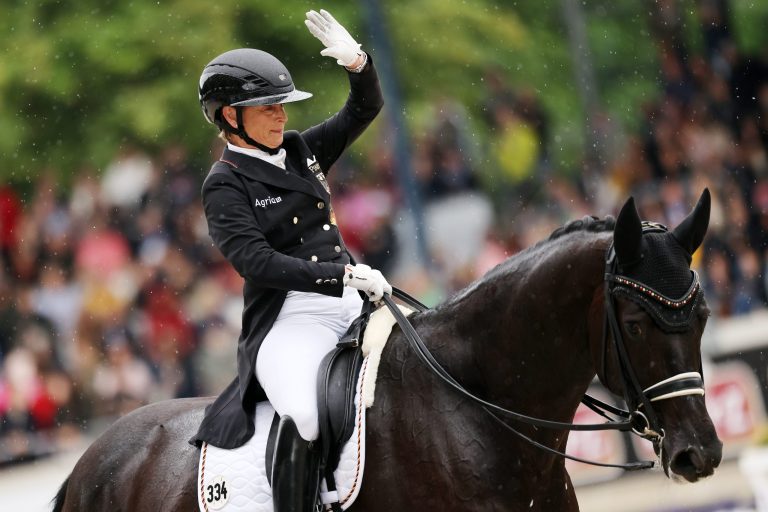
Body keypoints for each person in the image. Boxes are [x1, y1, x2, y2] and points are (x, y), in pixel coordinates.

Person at [190, 9, 390, 512]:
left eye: (281, 104)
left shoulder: (301, 149)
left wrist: (357, 63)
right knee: (304, 414)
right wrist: (339, 273)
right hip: (290, 319)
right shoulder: (225, 183)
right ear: (230, 117)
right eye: (268, 107)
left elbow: (363, 110)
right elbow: (257, 262)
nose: (282, 114)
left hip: (353, 301)